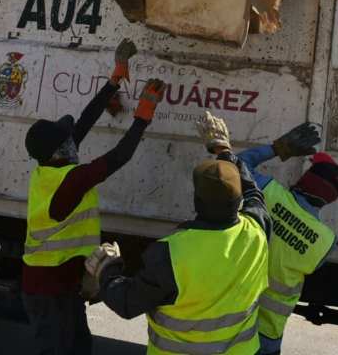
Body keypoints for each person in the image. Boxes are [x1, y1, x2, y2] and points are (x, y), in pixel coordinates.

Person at [21, 37, 165, 355]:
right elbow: (117, 158)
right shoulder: (70, 181)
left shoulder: (49, 168)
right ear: (63, 149)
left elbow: (84, 121)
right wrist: (142, 118)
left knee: (79, 347)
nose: (75, 139)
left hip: (59, 287)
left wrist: (114, 81)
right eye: (69, 139)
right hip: (49, 292)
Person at [85, 115, 270, 355]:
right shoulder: (257, 229)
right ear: (238, 201)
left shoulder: (170, 253)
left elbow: (127, 303)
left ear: (196, 200)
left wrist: (108, 268)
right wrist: (224, 149)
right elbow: (253, 191)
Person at [196, 113, 338, 355]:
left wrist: (278, 148)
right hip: (268, 335)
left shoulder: (269, 194)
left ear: (304, 181)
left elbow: (236, 166)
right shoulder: (326, 242)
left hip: (234, 319)